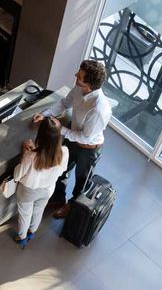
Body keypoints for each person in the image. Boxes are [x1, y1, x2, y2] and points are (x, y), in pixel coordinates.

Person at [32, 60, 112, 219]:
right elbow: (64, 103)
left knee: (81, 182)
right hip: (72, 137)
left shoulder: (99, 109)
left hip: (88, 149)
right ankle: (57, 199)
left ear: (88, 84)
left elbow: (85, 137)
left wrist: (60, 129)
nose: (76, 75)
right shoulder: (78, 87)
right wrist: (47, 113)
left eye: (80, 75)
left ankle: (72, 205)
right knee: (60, 168)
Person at [13, 117, 69, 248]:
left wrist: (25, 153)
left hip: (27, 191)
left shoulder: (31, 156)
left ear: (40, 135)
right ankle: (31, 232)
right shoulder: (64, 152)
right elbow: (61, 171)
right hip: (48, 189)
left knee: (25, 214)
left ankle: (22, 237)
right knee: (38, 211)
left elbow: (17, 175)